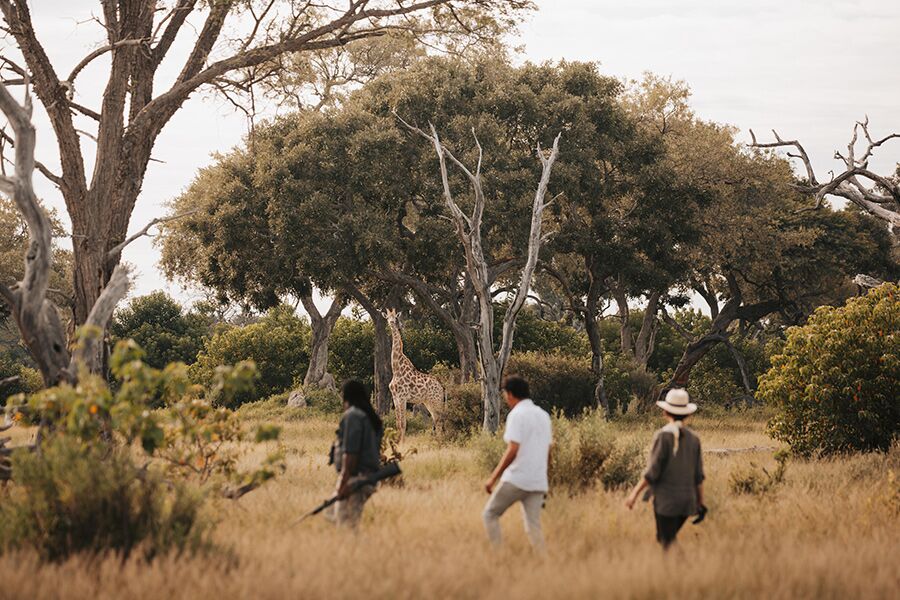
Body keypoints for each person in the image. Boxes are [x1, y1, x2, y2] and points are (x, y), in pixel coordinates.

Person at [625, 388, 707, 550]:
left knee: (666, 541)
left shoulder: (662, 436)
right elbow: (699, 476)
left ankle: (686, 565)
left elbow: (652, 472)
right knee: (666, 539)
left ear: (665, 412)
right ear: (688, 414)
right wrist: (700, 503)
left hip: (666, 502)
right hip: (687, 502)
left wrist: (634, 495)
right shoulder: (694, 439)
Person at [483, 375, 553, 552]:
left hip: (517, 479)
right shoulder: (544, 416)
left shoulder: (516, 414)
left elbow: (513, 449)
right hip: (538, 481)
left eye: (505, 394)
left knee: (490, 514)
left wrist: (493, 478)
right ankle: (544, 562)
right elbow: (548, 452)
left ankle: (499, 556)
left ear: (510, 394)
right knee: (534, 527)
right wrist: (545, 479)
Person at [328, 380, 384, 528]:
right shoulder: (370, 417)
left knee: (346, 524)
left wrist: (344, 482)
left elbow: (351, 453)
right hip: (368, 477)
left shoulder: (353, 416)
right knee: (331, 514)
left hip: (355, 477)